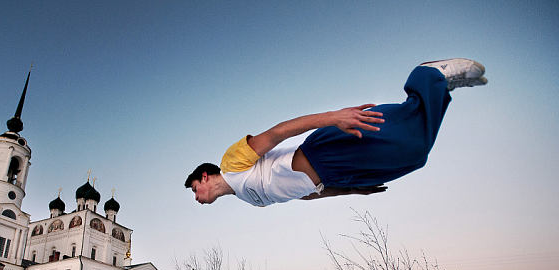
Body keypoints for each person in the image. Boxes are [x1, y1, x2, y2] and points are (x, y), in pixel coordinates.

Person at [185, 58, 487, 207]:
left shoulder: (231, 162)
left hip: (325, 151)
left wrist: (334, 118)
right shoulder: (248, 199)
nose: (197, 199)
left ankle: (428, 74)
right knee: (415, 158)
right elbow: (303, 195)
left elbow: (278, 133)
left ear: (204, 177)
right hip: (337, 175)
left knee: (409, 143)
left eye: (194, 191)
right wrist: (352, 190)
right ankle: (440, 88)